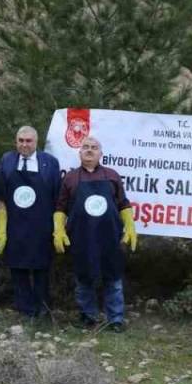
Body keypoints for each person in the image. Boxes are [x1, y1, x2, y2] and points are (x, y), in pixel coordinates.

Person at [54, 136, 136, 332]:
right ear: (79, 152)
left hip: (109, 237)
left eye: (94, 147)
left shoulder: (112, 176)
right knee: (84, 278)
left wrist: (130, 226)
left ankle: (115, 319)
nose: (89, 150)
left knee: (113, 278)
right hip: (81, 238)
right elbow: (61, 207)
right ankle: (87, 316)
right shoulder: (71, 178)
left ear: (101, 153)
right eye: (85, 147)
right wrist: (58, 229)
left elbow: (123, 204)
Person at [0, 126, 60, 319]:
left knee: (41, 268)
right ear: (16, 142)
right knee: (17, 267)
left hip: (41, 224)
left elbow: (57, 196)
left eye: (28, 140)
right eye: (21, 140)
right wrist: (2, 226)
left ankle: (42, 309)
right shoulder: (7, 160)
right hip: (15, 224)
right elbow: (1, 195)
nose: (24, 144)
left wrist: (57, 228)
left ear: (36, 142)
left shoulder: (50, 162)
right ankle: (25, 309)